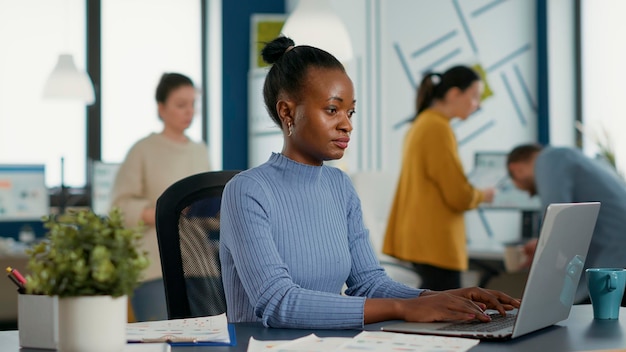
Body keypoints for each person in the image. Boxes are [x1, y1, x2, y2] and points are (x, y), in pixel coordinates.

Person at [218, 36, 519, 330]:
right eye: (332, 110)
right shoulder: (247, 191)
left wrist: (439, 298)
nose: (347, 124)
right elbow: (277, 302)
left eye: (350, 112)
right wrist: (405, 307)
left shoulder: (339, 186)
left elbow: (369, 283)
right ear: (287, 112)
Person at [382, 66, 495, 291]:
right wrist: (483, 195)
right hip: (436, 244)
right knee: (447, 316)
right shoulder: (437, 128)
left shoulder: (422, 123)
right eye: (474, 97)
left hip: (422, 241)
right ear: (454, 94)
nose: (478, 105)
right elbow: (458, 195)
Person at [110, 72, 210, 321]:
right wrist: (165, 213)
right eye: (180, 105)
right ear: (161, 108)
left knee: (209, 339)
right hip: (154, 266)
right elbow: (119, 208)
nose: (189, 111)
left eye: (192, 104)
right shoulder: (142, 150)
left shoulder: (200, 151)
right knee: (159, 338)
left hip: (199, 262)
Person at [507, 143, 626, 306]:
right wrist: (542, 243)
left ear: (516, 169)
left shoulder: (548, 159)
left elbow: (558, 216)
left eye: (528, 190)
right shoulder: (571, 157)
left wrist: (543, 248)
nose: (530, 194)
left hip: (617, 255)